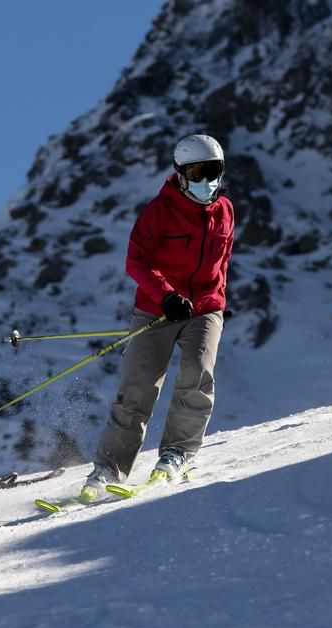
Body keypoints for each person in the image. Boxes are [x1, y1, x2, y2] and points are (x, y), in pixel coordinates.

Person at [81, 133, 235, 498]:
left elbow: (222, 261)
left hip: (205, 309)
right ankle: (108, 469)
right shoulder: (160, 211)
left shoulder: (225, 210)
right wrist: (166, 296)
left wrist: (216, 298)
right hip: (157, 309)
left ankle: (176, 455)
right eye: (197, 172)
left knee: (198, 375)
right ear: (180, 173)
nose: (206, 181)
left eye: (213, 171)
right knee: (137, 388)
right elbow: (138, 261)